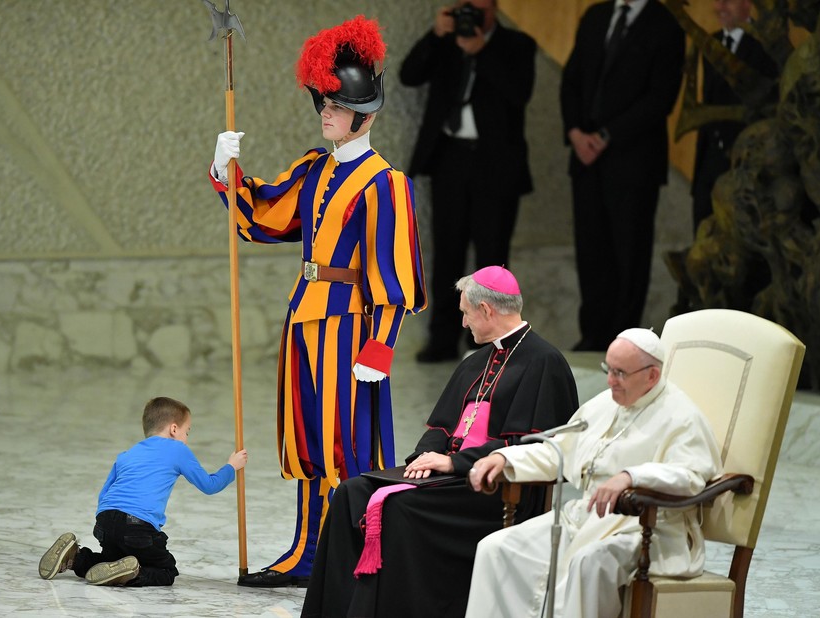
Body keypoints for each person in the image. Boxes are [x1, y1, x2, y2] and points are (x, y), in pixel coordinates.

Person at [208, 16, 426, 587]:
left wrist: (380, 349)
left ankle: (350, 554)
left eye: (335, 103)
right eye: (322, 101)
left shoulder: (386, 184)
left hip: (351, 326)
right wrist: (223, 171)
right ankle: (308, 552)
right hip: (305, 317)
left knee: (346, 445)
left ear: (365, 113)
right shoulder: (314, 168)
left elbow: (394, 275)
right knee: (307, 440)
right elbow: (262, 218)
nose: (325, 112)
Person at [301, 266, 579, 618]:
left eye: (465, 313)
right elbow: (441, 425)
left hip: (493, 489)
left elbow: (535, 446)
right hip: (450, 479)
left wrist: (453, 463)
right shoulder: (476, 360)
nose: (463, 323)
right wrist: (427, 455)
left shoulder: (545, 363)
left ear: (487, 310)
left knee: (395, 510)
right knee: (350, 494)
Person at [465, 328, 723, 618]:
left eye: (621, 373)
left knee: (588, 562)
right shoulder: (604, 404)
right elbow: (558, 451)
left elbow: (690, 477)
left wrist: (631, 477)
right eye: (608, 369)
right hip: (584, 518)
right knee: (496, 548)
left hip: (644, 528)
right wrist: (503, 458)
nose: (611, 381)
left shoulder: (682, 417)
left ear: (651, 375)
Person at [400, 0, 537, 363]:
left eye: (480, 7)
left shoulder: (517, 44)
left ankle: (490, 339)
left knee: (492, 257)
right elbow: (408, 74)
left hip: (496, 164)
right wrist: (436, 34)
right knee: (447, 253)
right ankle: (443, 338)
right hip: (450, 160)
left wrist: (483, 51)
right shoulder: (447, 41)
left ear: (493, 9)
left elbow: (519, 93)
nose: (472, 15)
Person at [560, 0, 685, 352]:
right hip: (586, 158)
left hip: (633, 161)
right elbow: (572, 80)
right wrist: (574, 132)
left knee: (629, 253)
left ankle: (624, 340)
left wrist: (606, 135)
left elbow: (660, 97)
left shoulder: (665, 24)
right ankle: (594, 334)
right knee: (591, 249)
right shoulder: (597, 15)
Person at [38, 396, 248, 587]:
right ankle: (131, 573)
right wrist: (232, 466)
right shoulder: (178, 449)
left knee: (111, 559)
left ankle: (76, 558)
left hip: (104, 522)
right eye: (187, 432)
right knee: (166, 571)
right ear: (174, 429)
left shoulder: (127, 454)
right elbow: (209, 485)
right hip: (136, 527)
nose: (187, 438)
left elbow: (104, 495)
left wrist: (110, 525)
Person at [691, 0, 777, 235]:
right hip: (707, 170)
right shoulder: (712, 43)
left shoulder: (765, 47)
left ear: (747, 4)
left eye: (727, 1)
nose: (719, 7)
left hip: (742, 170)